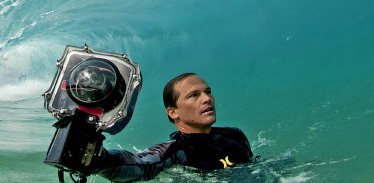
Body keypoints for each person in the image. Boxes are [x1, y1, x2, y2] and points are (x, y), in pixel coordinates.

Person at [89, 73, 253, 182]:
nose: (207, 99)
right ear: (173, 112)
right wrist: (98, 159)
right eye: (194, 95)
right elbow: (136, 163)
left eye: (208, 92)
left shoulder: (235, 135)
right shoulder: (174, 153)